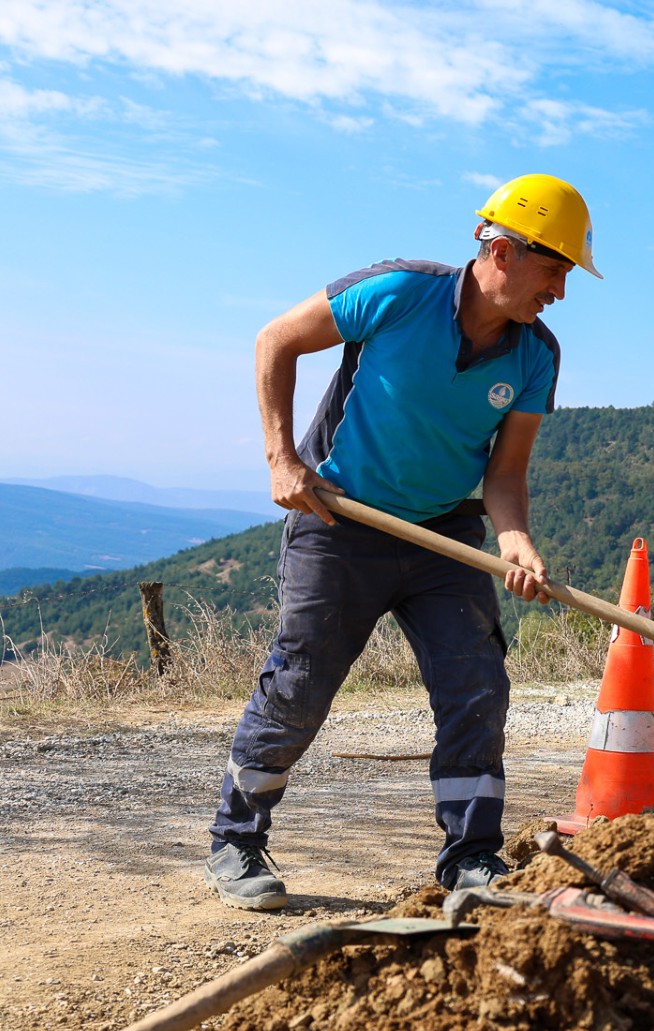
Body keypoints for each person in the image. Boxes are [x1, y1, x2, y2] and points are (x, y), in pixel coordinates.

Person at [204, 174, 602, 911]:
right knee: (300, 682)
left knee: (476, 685)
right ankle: (237, 838)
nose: (561, 292)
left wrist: (515, 540)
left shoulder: (536, 355)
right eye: (555, 270)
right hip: (339, 520)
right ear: (504, 251)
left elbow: (506, 474)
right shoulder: (396, 292)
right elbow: (276, 340)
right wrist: (281, 458)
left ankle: (471, 856)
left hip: (445, 535)